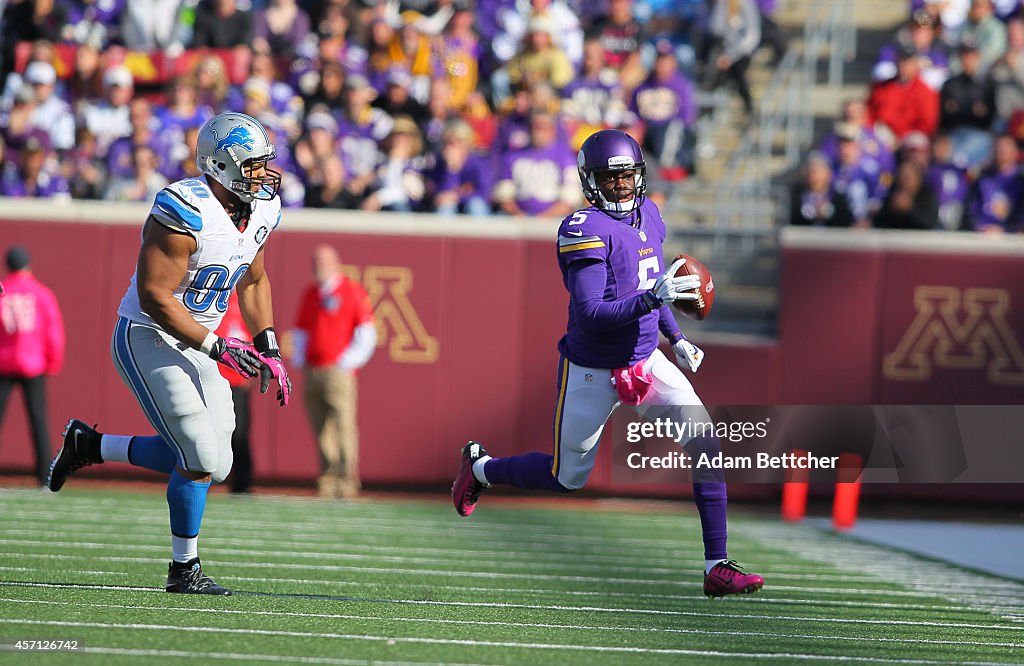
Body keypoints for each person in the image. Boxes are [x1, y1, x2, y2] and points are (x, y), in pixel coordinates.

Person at [451, 129, 765, 598]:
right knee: (567, 478)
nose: (620, 186)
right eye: (610, 178)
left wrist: (675, 338)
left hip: (645, 360)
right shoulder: (583, 229)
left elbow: (654, 281)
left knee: (705, 441)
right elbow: (594, 315)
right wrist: (651, 300)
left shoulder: (651, 214)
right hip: (592, 371)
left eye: (626, 177)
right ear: (590, 182)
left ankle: (716, 566)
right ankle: (479, 470)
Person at [45, 112, 292, 596]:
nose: (263, 175)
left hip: (199, 342)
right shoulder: (184, 208)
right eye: (252, 166)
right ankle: (184, 570)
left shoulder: (262, 209)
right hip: (148, 335)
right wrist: (219, 346)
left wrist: (269, 345)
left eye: (265, 165)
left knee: (216, 462)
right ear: (220, 166)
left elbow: (255, 279)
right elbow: (157, 296)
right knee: (199, 453)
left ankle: (90, 446)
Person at [291, 245, 376, 499]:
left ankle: (347, 480)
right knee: (321, 429)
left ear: (335, 263)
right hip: (313, 370)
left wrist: (346, 362)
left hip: (337, 372)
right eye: (315, 261)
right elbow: (301, 330)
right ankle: (327, 479)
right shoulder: (311, 293)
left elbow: (367, 333)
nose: (318, 266)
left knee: (343, 426)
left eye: (323, 261)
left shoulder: (351, 290)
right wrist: (300, 361)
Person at [0, 246, 65, 486]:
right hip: (33, 364)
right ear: (28, 265)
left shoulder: (3, 292)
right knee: (39, 420)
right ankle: (45, 477)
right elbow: (53, 331)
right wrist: (53, 361)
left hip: (3, 362)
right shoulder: (41, 293)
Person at [216, 292, 255, 494]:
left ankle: (242, 482)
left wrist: (251, 371)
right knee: (208, 431)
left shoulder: (244, 304)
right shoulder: (212, 301)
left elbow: (254, 339)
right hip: (213, 379)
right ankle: (205, 479)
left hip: (237, 381)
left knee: (238, 433)